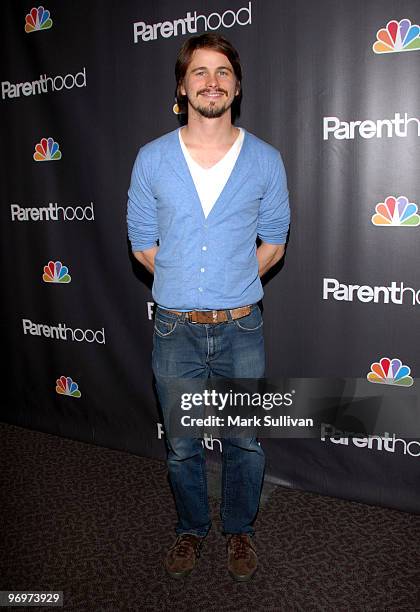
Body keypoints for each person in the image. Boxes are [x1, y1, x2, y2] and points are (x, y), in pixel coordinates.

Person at [127, 32, 290, 582]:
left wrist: (229, 282)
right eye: (199, 72)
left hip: (243, 326)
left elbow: (274, 242)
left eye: (222, 72)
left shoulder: (266, 160)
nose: (211, 82)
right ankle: (191, 529)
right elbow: (143, 243)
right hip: (173, 328)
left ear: (236, 86)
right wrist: (186, 284)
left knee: (244, 442)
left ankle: (239, 530)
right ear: (182, 85)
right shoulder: (151, 159)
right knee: (180, 447)